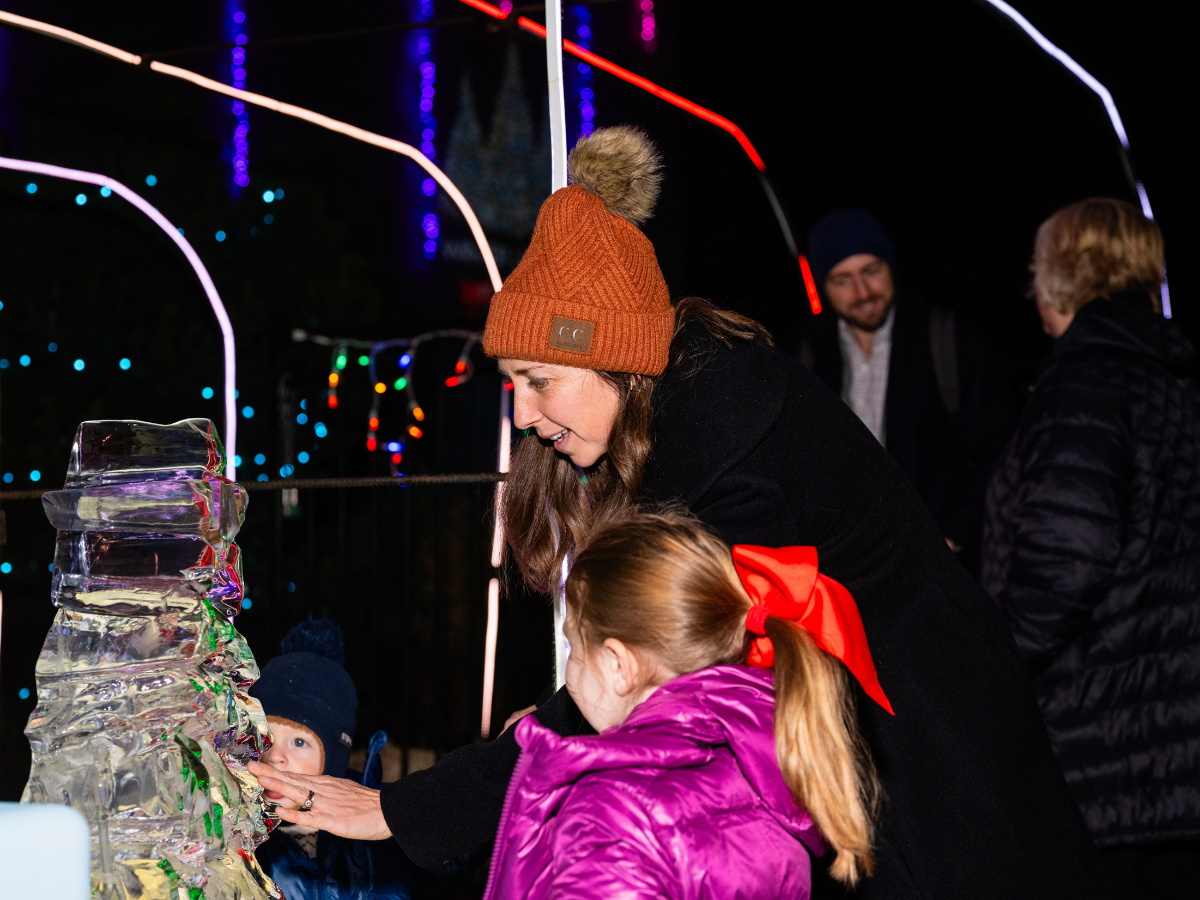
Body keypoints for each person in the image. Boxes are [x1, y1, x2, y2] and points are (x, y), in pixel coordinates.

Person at [250, 126, 1117, 899]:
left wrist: (404, 808)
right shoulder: (676, 402)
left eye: (538, 382)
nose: (520, 415)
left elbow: (637, 673)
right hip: (859, 733)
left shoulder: (721, 443)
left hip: (926, 742)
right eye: (513, 385)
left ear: (616, 361)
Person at [485, 510, 886, 899]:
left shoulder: (610, 811)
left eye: (573, 646)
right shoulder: (766, 776)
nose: (569, 668)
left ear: (618, 664)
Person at [982, 198, 1200, 898]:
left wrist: (991, 655)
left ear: (1066, 273)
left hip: (1114, 732)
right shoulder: (1170, 372)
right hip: (1171, 727)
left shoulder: (1086, 383)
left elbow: (1067, 558)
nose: (1029, 283)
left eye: (1037, 266)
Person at [783, 209, 1016, 574]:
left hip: (939, 567)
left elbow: (999, 452)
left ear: (891, 266)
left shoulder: (947, 340)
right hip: (844, 568)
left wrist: (957, 533)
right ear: (822, 286)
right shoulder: (802, 353)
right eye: (842, 280)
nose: (862, 293)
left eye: (871, 272)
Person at [250, 618, 416, 900]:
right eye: (267, 738)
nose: (276, 756)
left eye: (299, 742)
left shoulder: (376, 818)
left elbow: (454, 850)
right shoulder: (241, 829)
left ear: (334, 757)